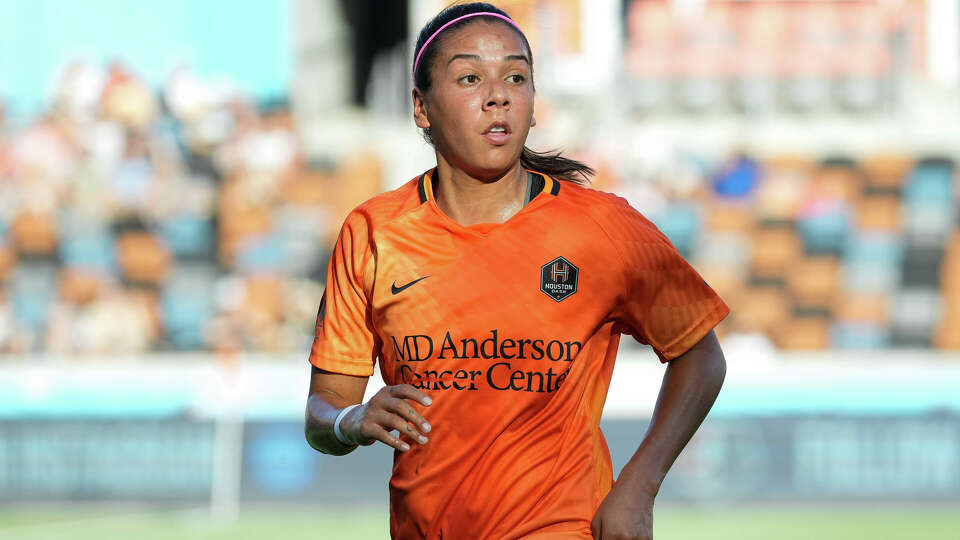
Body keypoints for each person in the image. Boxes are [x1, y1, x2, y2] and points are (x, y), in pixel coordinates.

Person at [304, 3, 729, 539]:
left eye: (516, 76)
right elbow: (323, 414)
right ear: (421, 108)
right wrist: (352, 420)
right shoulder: (374, 232)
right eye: (468, 78)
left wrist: (639, 486)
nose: (498, 94)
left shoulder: (602, 228)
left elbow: (701, 355)